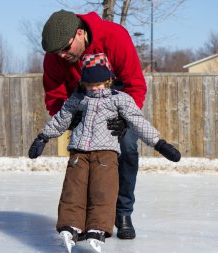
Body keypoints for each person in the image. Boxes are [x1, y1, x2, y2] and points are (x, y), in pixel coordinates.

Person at [28, 53, 181, 253]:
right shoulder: (78, 98)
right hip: (79, 152)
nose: (93, 89)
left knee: (103, 192)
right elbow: (61, 119)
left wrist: (160, 144)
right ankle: (71, 226)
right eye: (89, 84)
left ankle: (97, 229)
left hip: (106, 155)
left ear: (108, 80)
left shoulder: (120, 100)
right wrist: (43, 137)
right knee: (73, 190)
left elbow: (138, 122)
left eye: (98, 84)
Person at [41, 9, 148, 240]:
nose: (61, 56)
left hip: (117, 99)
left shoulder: (114, 36)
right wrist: (69, 118)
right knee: (82, 160)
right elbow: (53, 93)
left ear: (80, 33)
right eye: (57, 52)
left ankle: (122, 213)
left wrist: (124, 119)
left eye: (66, 49)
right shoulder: (55, 56)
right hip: (79, 102)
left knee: (127, 147)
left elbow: (135, 84)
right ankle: (81, 220)